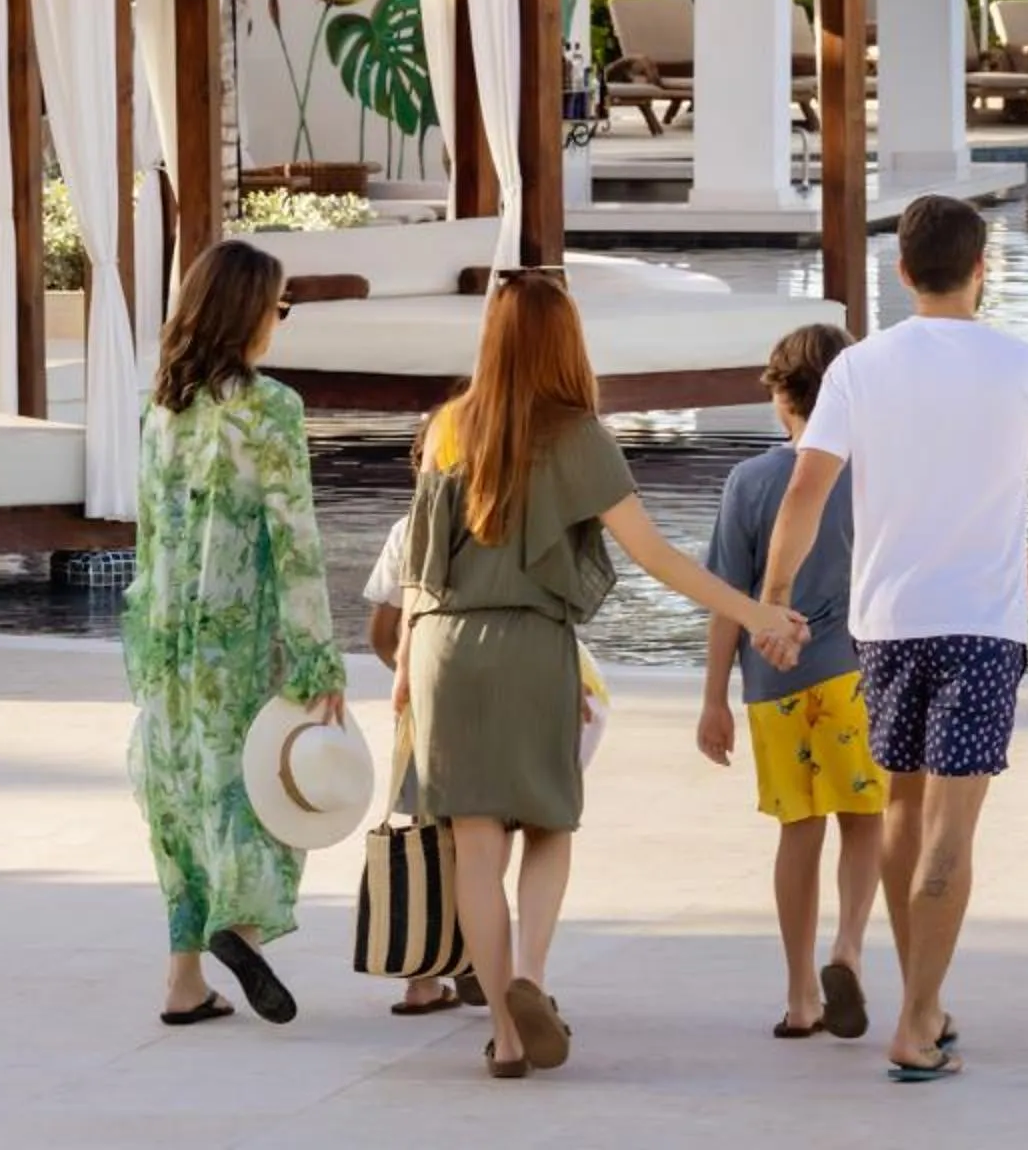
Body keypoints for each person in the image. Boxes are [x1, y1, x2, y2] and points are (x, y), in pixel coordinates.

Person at [391, 271, 808, 1079]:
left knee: (474, 846)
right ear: (563, 345)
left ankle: (507, 1042)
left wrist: (408, 664)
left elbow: (418, 562)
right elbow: (655, 556)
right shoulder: (578, 436)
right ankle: (526, 981)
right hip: (529, 646)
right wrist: (758, 613)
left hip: (442, 648)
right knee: (548, 825)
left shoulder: (444, 427)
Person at [769, 194, 1028, 1084]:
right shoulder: (1025, 365)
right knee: (952, 826)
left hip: (887, 626)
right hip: (982, 626)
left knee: (902, 811)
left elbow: (806, 491)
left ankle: (923, 1004)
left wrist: (776, 598)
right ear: (983, 268)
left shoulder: (859, 369)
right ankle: (914, 1021)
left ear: (901, 271)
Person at [122, 239, 347, 1030]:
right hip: (244, 639)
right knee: (272, 792)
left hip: (166, 643)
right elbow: (296, 541)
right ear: (250, 311)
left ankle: (183, 983)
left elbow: (150, 536)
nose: (279, 323)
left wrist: (147, 647)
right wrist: (320, 659)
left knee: (182, 799)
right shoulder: (271, 408)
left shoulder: (161, 409)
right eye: (278, 308)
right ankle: (240, 930)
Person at [696, 323, 888, 1042]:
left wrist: (714, 698)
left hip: (772, 683)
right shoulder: (870, 472)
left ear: (782, 397)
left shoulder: (749, 481)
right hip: (858, 678)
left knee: (797, 832)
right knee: (866, 821)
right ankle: (849, 950)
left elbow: (727, 601)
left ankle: (801, 995)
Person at [362, 517, 480, 1016]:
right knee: (484, 837)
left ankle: (422, 979)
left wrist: (414, 680)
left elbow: (380, 633)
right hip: (493, 702)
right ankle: (479, 960)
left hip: (423, 704)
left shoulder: (409, 530)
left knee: (425, 833)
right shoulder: (514, 513)